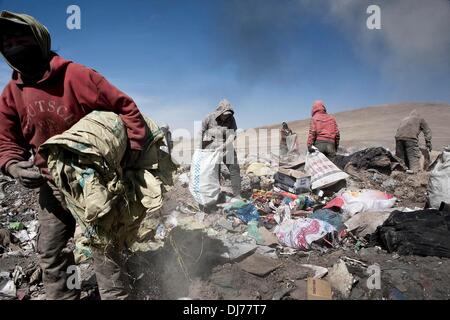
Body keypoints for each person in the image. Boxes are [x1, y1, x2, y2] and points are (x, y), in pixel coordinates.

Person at [0, 11, 148, 299]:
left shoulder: (77, 76)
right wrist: (14, 166)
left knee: (103, 248)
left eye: (20, 37)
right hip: (52, 184)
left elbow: (126, 109)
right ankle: (66, 295)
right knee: (51, 251)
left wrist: (131, 155)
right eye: (5, 41)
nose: (12, 45)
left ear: (39, 39)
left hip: (92, 181)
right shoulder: (11, 94)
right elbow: (6, 141)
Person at [200, 99, 241, 197]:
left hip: (226, 147)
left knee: (234, 169)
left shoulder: (231, 119)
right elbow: (200, 134)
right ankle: (216, 195)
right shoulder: (208, 118)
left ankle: (237, 195)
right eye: (224, 114)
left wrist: (224, 146)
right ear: (219, 112)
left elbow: (232, 135)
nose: (226, 116)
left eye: (228, 114)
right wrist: (201, 150)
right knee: (214, 172)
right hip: (211, 149)